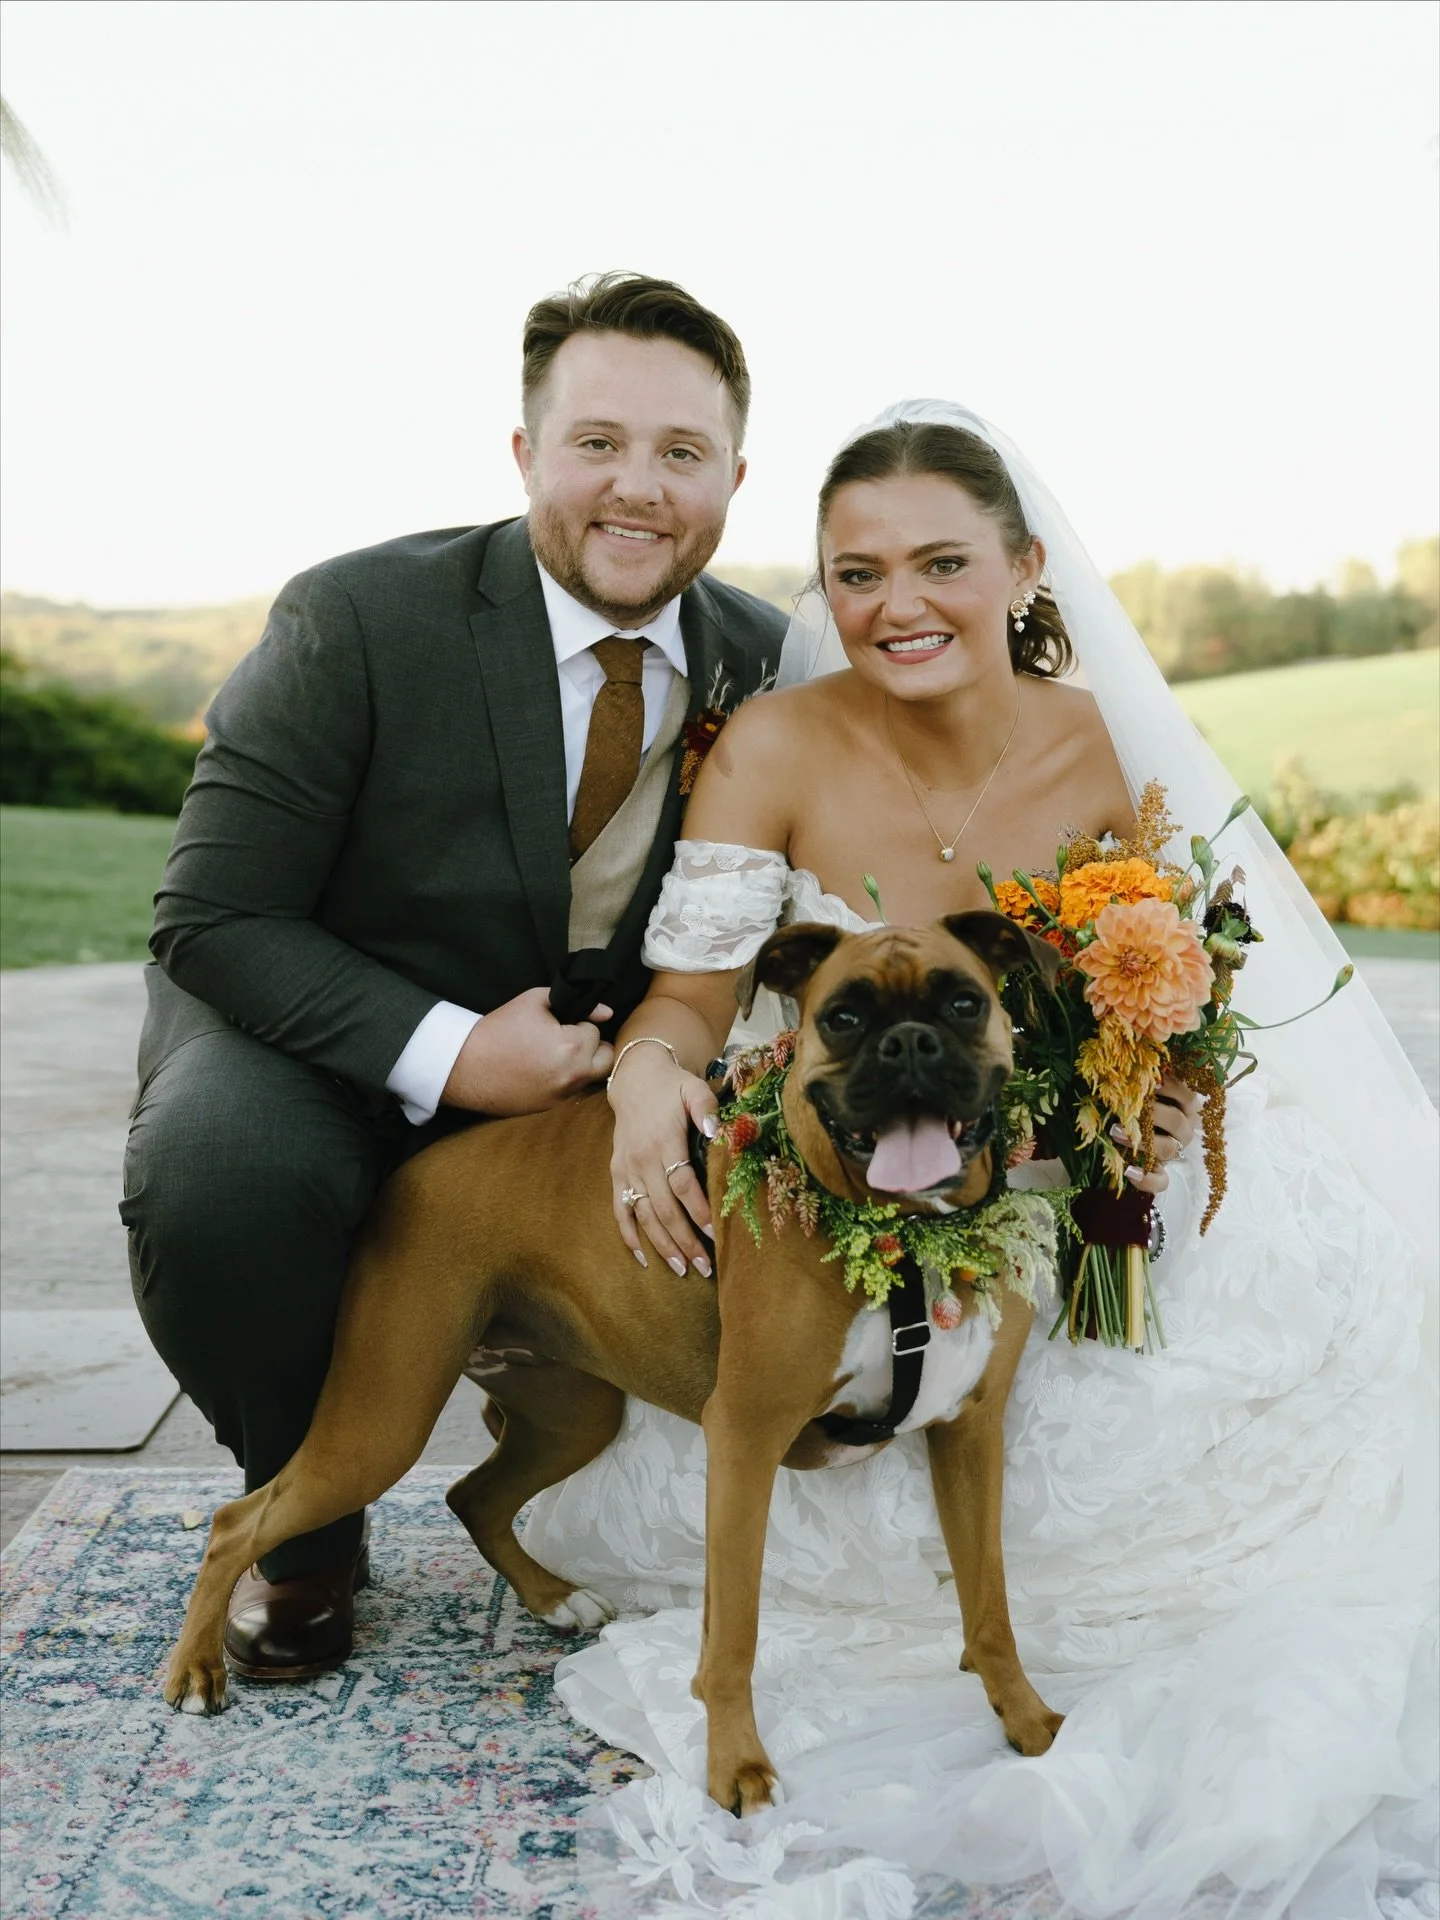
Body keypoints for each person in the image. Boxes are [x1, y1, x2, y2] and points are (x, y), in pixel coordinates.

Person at [520, 405, 1440, 1919]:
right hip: (849, 1170)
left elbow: (1157, 986)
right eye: (859, 574)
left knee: (1319, 1379)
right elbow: (693, 988)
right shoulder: (773, 742)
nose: (899, 608)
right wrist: (643, 1074)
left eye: (943, 563)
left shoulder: (1097, 744)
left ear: (1021, 566)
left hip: (1055, 1179)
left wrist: (1147, 1097)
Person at [120, 272, 787, 1684]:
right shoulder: (357, 617)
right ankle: (301, 1514)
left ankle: (617, 1475)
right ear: (524, 454)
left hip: (599, 1072)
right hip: (310, 1038)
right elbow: (214, 916)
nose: (639, 488)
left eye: (682, 453)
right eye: (597, 442)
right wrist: (447, 1052)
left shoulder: (766, 658)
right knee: (222, 1176)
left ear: (734, 474)